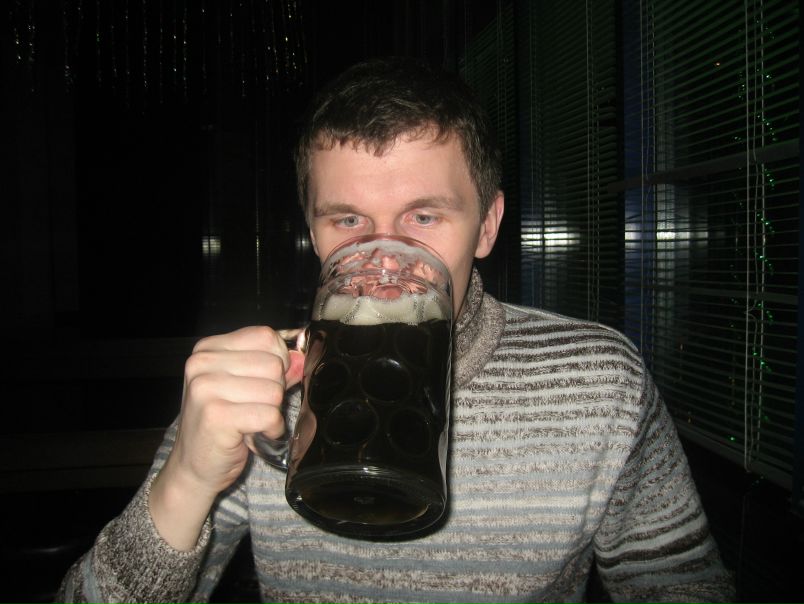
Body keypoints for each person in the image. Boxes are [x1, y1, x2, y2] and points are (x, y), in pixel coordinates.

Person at [57, 57, 734, 603]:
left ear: (488, 225)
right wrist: (186, 481)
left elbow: (685, 587)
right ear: (313, 232)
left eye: (423, 217)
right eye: (348, 220)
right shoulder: (254, 391)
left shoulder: (598, 382)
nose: (385, 261)